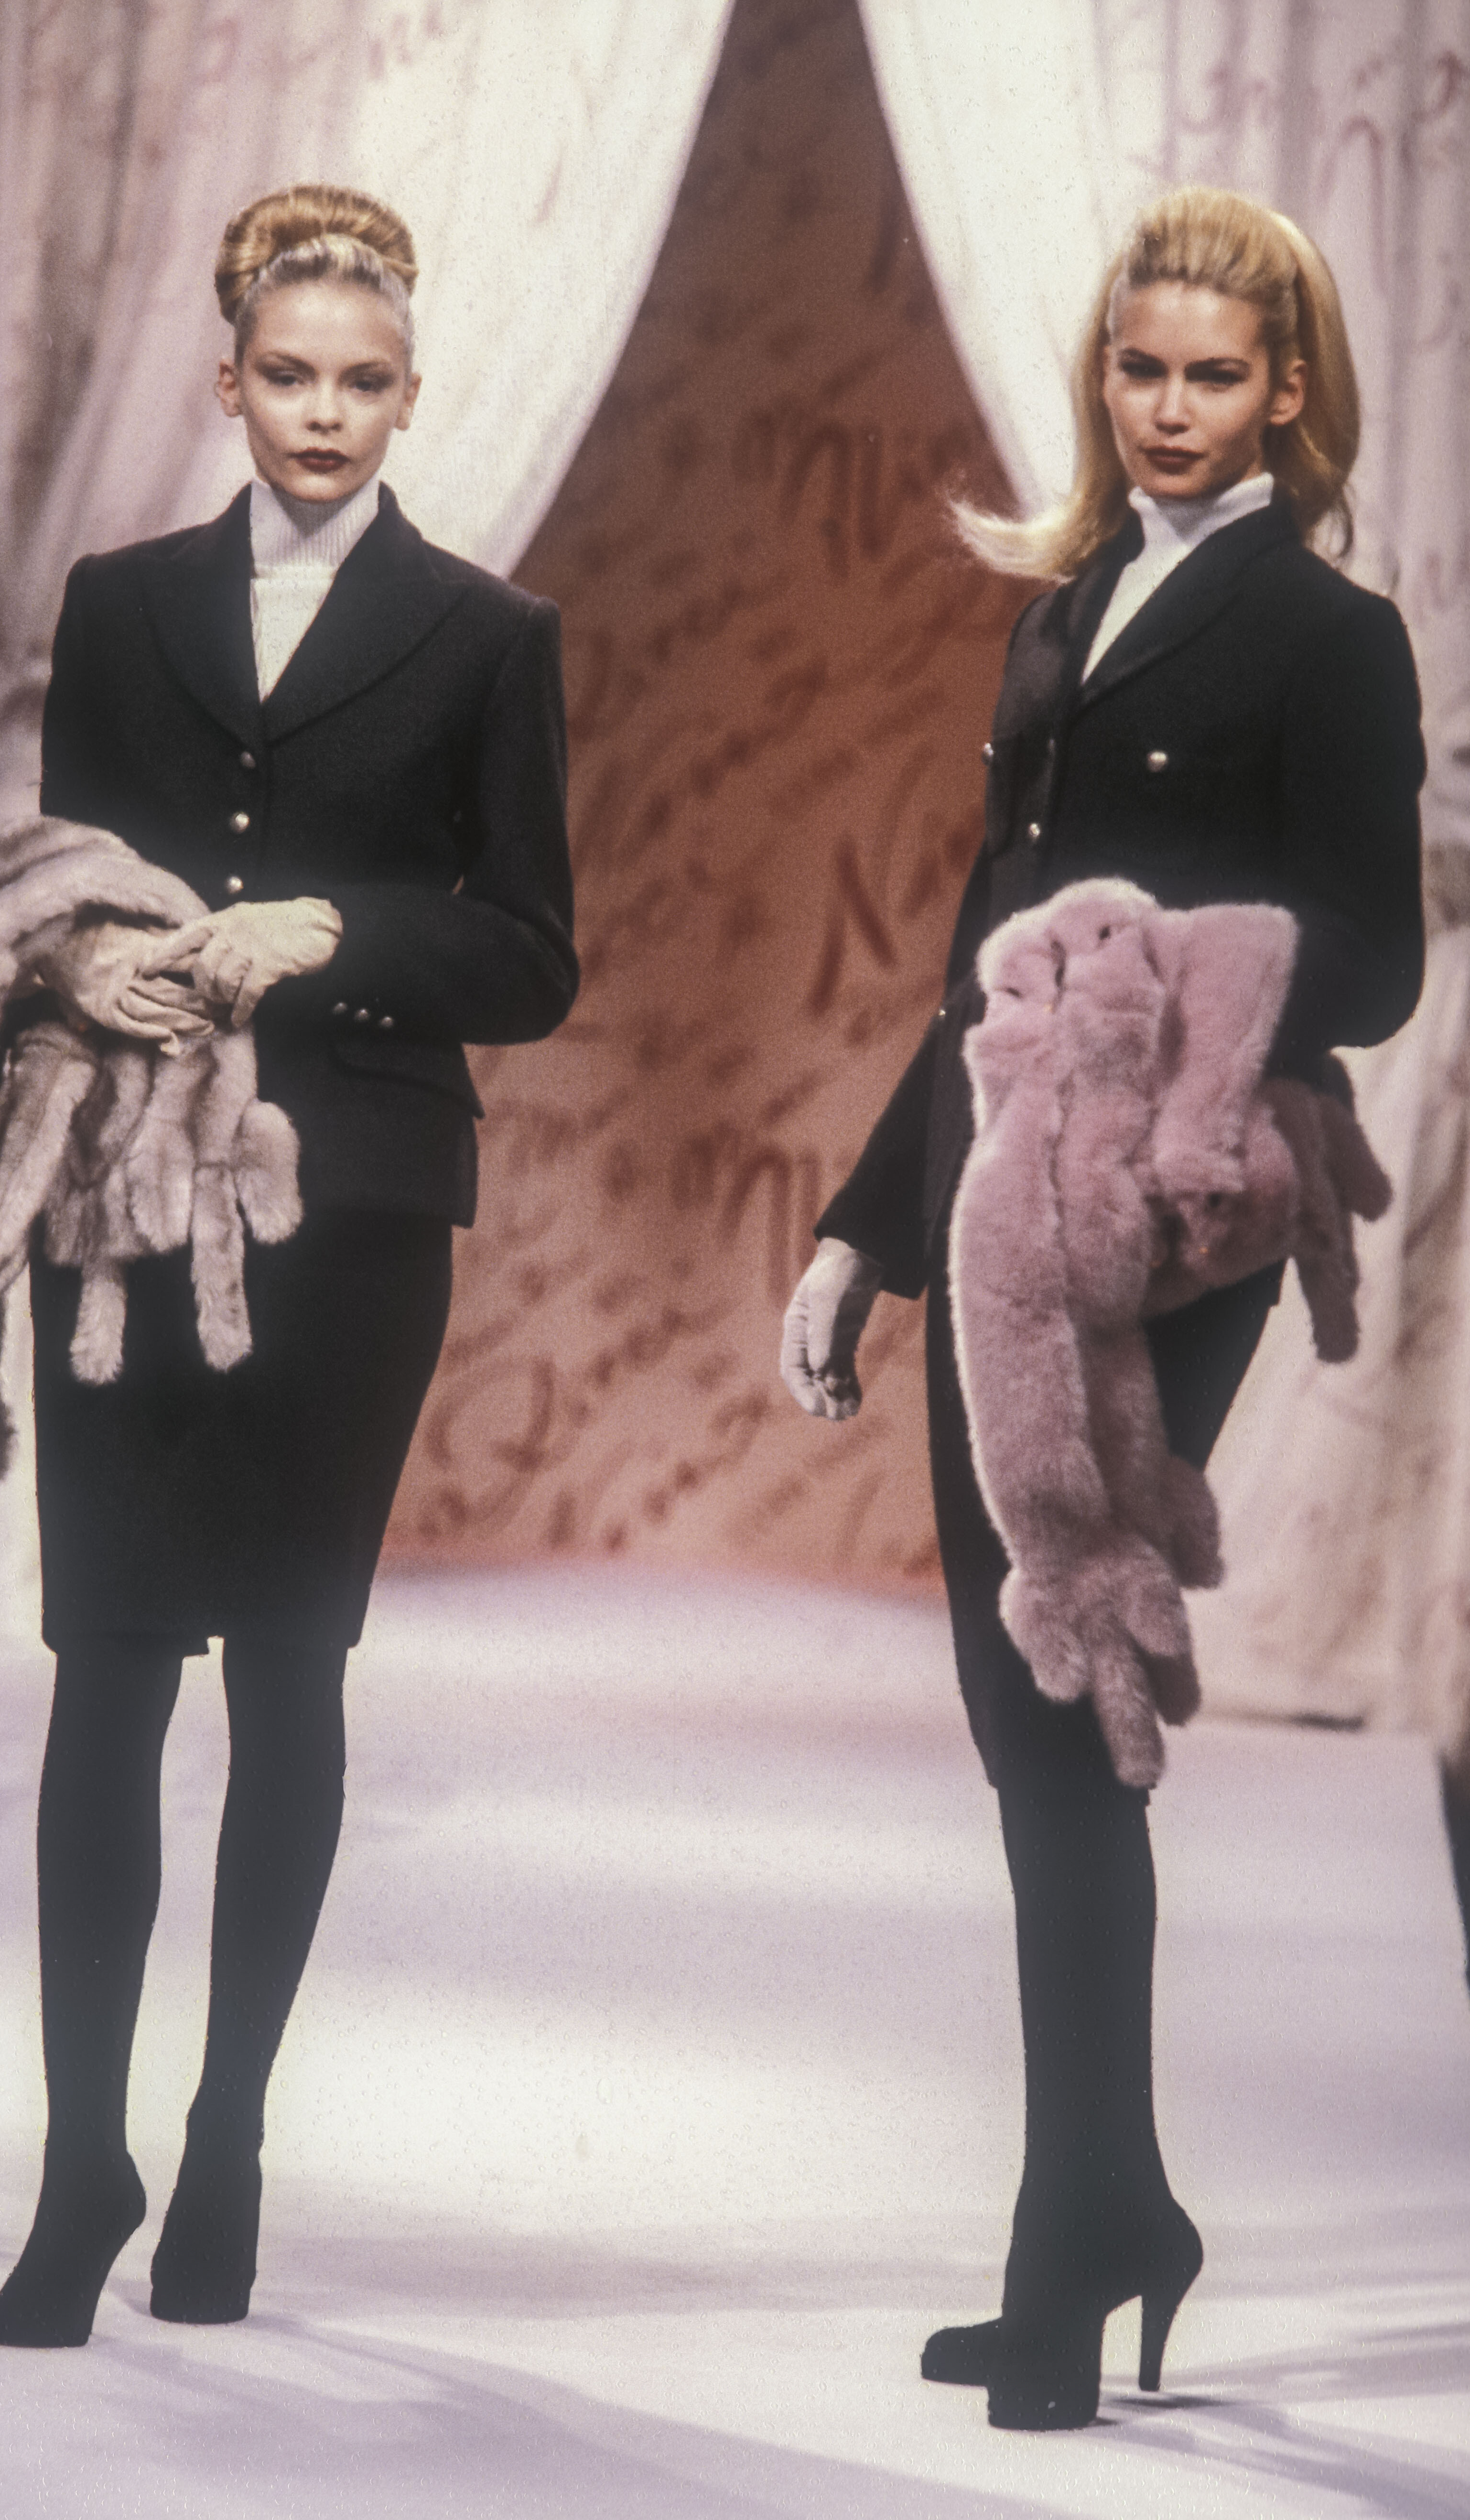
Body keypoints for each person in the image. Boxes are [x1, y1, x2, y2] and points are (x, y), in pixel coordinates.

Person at [781, 186, 1424, 2431]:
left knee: (1061, 1693)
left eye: (1214, 375)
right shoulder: (1066, 612)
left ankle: (1075, 2248)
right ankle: (1111, 2208)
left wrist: (1168, 985)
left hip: (1178, 1201)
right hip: (994, 1192)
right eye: (1141, 369)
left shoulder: (1330, 634)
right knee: (1017, 1703)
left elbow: (1374, 961)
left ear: (1288, 392)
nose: (1169, 408)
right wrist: (859, 1228)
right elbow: (989, 952)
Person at [0, 183, 578, 2347]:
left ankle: (226, 2131)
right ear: (226, 379)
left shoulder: (489, 634)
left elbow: (535, 955)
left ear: (414, 397)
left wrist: (335, 934)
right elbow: (55, 873)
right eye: (290, 375)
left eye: (365, 382)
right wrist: (84, 965)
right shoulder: (120, 601)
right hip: (119, 1193)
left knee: (289, 1669)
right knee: (106, 1666)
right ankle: (82, 2164)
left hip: (353, 1210)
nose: (325, 413)